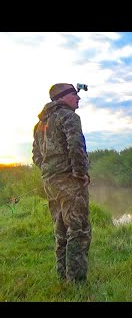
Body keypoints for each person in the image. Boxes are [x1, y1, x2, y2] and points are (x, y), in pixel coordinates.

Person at [32, 83, 91, 283]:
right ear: (63, 97)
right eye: (75, 94)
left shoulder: (40, 124)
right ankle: (76, 282)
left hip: (51, 183)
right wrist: (80, 173)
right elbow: (76, 146)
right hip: (69, 181)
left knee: (61, 229)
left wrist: (49, 171)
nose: (78, 98)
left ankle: (62, 275)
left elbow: (36, 156)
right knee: (78, 229)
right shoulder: (69, 117)